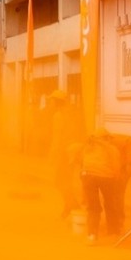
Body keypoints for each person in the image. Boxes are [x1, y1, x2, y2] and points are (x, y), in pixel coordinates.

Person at [78, 130, 125, 246]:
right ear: (106, 138)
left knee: (93, 207)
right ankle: (113, 233)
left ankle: (92, 235)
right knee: (110, 204)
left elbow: (83, 163)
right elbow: (116, 166)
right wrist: (117, 179)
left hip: (88, 176)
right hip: (106, 177)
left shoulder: (88, 147)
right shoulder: (112, 149)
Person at [47, 89, 83, 219]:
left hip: (65, 152)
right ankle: (68, 208)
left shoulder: (58, 116)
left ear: (57, 102)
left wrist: (52, 156)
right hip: (74, 151)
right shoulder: (71, 113)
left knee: (60, 182)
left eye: (51, 101)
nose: (49, 103)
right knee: (66, 181)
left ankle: (73, 206)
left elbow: (57, 138)